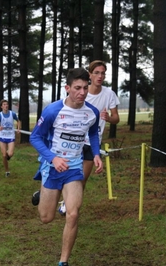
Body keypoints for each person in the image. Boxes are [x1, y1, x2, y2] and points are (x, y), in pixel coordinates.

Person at [30, 68, 103, 266]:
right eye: (77, 88)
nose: (82, 92)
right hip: (53, 166)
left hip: (74, 167)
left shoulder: (92, 112)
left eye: (85, 88)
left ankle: (63, 262)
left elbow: (94, 133)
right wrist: (53, 159)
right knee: (46, 218)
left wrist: (96, 153)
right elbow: (34, 137)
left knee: (73, 213)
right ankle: (42, 193)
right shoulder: (53, 110)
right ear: (67, 88)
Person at [57, 60, 121, 215]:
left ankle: (69, 205)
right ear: (90, 74)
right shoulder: (82, 92)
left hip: (92, 142)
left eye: (103, 73)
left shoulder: (109, 94)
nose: (100, 76)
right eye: (97, 73)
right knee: (63, 175)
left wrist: (108, 117)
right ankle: (51, 195)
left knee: (82, 178)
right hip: (73, 141)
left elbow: (116, 118)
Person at [0, 100, 21, 177]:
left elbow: (18, 121)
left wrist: (18, 128)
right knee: (4, 155)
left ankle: (8, 155)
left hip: (10, 136)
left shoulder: (12, 114)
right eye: (4, 104)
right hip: (2, 136)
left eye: (7, 104)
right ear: (1, 107)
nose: (6, 106)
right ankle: (7, 171)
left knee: (10, 154)